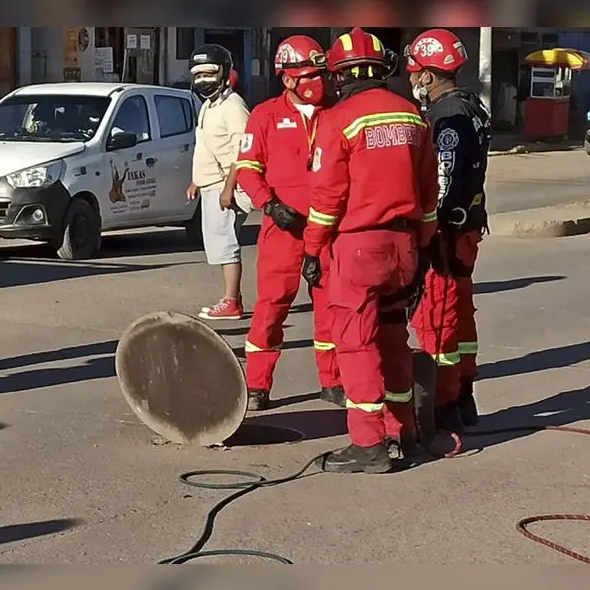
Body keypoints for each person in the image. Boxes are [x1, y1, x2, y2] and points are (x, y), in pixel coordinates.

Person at [302, 28, 439, 473]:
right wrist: (421, 245)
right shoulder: (413, 116)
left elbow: (327, 199)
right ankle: (407, 434)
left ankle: (368, 445)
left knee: (355, 345)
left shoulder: (337, 120)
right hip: (404, 245)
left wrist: (311, 249)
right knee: (395, 338)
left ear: (339, 76)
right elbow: (428, 194)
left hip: (359, 247)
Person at [234, 35, 342, 411]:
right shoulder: (264, 115)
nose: (319, 82)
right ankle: (257, 385)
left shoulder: (337, 111)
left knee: (331, 307)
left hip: (328, 230)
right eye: (310, 75)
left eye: (321, 74)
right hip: (282, 229)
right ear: (288, 79)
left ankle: (333, 381)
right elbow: (247, 168)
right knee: (271, 307)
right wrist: (270, 204)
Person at [404, 28, 491, 433]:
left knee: (437, 321)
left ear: (428, 75)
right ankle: (464, 394)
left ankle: (444, 406)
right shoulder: (471, 106)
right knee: (461, 317)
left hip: (447, 232)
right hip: (468, 229)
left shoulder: (447, 116)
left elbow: (445, 176)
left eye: (415, 73)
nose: (412, 81)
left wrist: (430, 228)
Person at [186, 44, 250, 321]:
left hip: (227, 186)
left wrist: (228, 187)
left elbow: (243, 149)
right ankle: (233, 297)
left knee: (225, 244)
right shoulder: (208, 106)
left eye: (209, 73)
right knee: (217, 243)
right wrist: (196, 181)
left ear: (224, 73)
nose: (203, 80)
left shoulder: (233, 106)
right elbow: (206, 147)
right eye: (197, 75)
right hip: (211, 184)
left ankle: (231, 302)